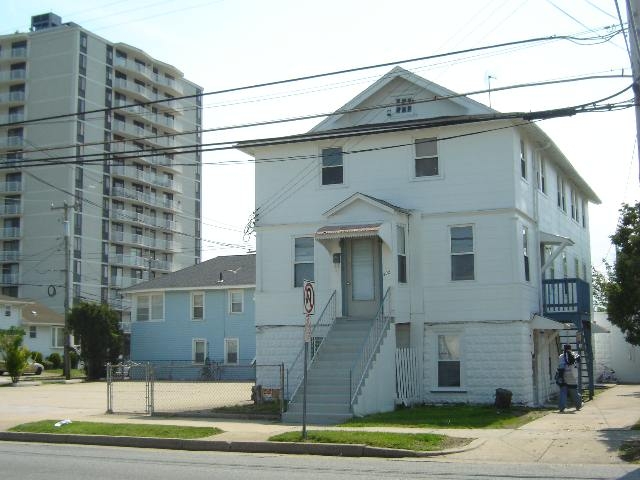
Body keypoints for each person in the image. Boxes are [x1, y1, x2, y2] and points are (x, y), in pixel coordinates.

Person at [557, 343, 582, 412]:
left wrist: (560, 377)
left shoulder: (561, 356)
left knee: (563, 392)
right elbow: (579, 360)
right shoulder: (575, 355)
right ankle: (578, 405)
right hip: (572, 376)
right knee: (574, 392)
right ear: (570, 348)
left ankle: (562, 407)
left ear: (564, 349)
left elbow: (561, 368)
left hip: (564, 375)